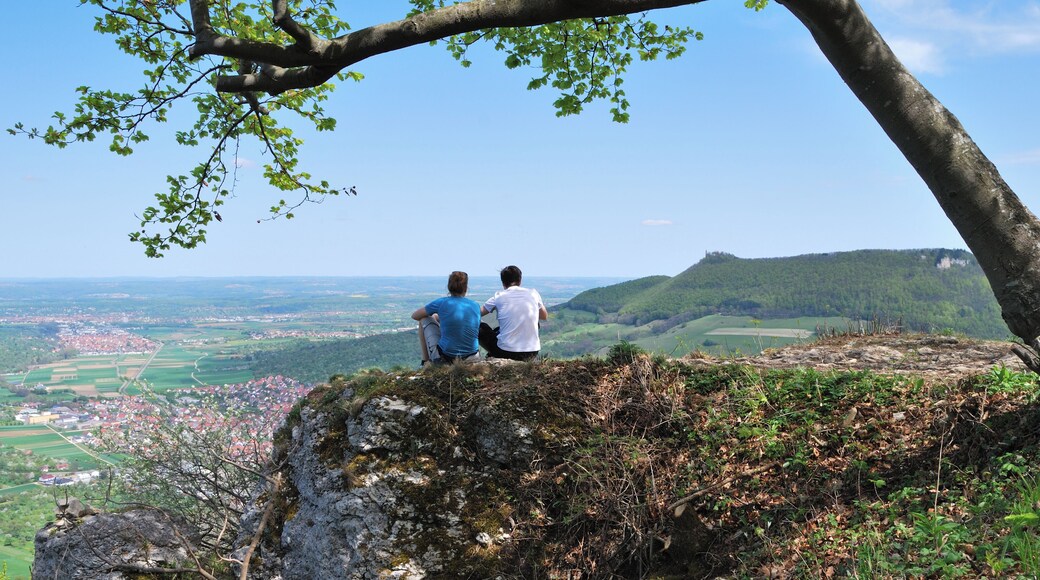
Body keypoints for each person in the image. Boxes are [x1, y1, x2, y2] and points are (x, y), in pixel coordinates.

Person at [411, 271, 482, 365]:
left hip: (447, 357)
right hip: (473, 356)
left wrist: (434, 317)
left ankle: (425, 362)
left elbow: (415, 316)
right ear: (466, 288)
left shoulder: (442, 303)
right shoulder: (475, 305)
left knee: (423, 319)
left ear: (449, 286)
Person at [479, 265, 548, 361]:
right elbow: (544, 316)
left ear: (503, 283)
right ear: (520, 280)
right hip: (532, 352)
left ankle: (480, 355)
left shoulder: (498, 296)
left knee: (478, 326)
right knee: (534, 322)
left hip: (505, 352)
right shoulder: (533, 293)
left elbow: (477, 314)